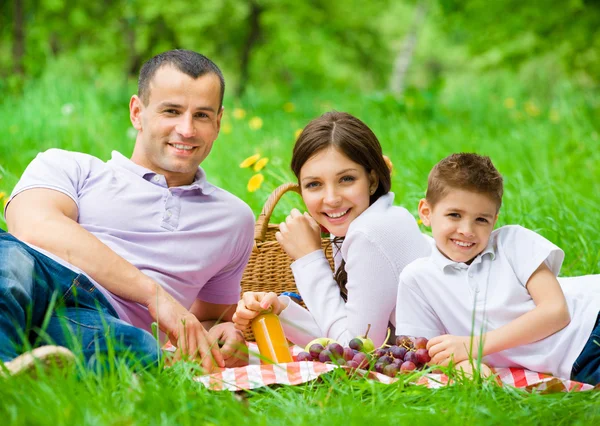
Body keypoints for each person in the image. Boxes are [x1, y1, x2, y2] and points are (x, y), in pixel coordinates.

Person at [1, 49, 254, 375]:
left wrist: (222, 333)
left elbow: (210, 315)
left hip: (100, 321)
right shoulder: (70, 166)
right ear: (137, 112)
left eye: (202, 115)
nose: (187, 129)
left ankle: (23, 368)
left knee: (134, 350)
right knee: (6, 259)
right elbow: (33, 227)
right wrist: (153, 294)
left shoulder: (233, 219)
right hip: (39, 277)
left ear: (218, 123)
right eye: (172, 111)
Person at [395, 153, 600, 384]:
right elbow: (430, 354)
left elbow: (556, 312)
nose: (467, 230)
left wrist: (474, 346)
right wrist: (469, 365)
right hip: (575, 364)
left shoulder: (513, 242)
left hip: (592, 321)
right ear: (426, 213)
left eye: (481, 219)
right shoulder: (417, 279)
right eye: (454, 215)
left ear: (494, 220)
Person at [233, 111, 432, 348]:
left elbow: (356, 348)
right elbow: (344, 332)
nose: (331, 198)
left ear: (372, 180)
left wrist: (309, 259)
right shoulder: (373, 220)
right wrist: (279, 310)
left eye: (346, 179)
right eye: (314, 184)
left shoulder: (369, 233)